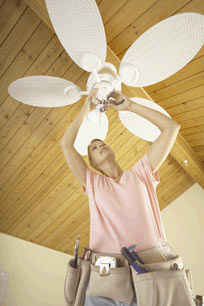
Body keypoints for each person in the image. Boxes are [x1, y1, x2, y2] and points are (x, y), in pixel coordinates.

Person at [60, 89, 181, 306]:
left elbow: (171, 128)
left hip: (150, 270)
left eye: (102, 143)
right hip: (105, 275)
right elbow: (65, 146)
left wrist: (131, 106)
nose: (100, 145)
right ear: (94, 164)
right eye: (94, 148)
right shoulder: (94, 183)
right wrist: (84, 109)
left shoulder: (141, 173)